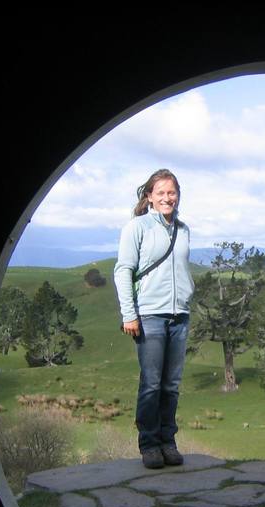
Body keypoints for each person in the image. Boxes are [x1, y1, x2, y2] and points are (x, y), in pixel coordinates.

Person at [114, 169, 194, 469]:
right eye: (160, 193)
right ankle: (149, 445)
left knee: (171, 384)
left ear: (178, 195)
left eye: (171, 192)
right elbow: (123, 270)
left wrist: (187, 297)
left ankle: (168, 442)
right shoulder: (138, 227)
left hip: (179, 315)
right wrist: (129, 314)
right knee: (151, 383)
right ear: (149, 196)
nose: (166, 198)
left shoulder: (184, 229)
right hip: (149, 315)